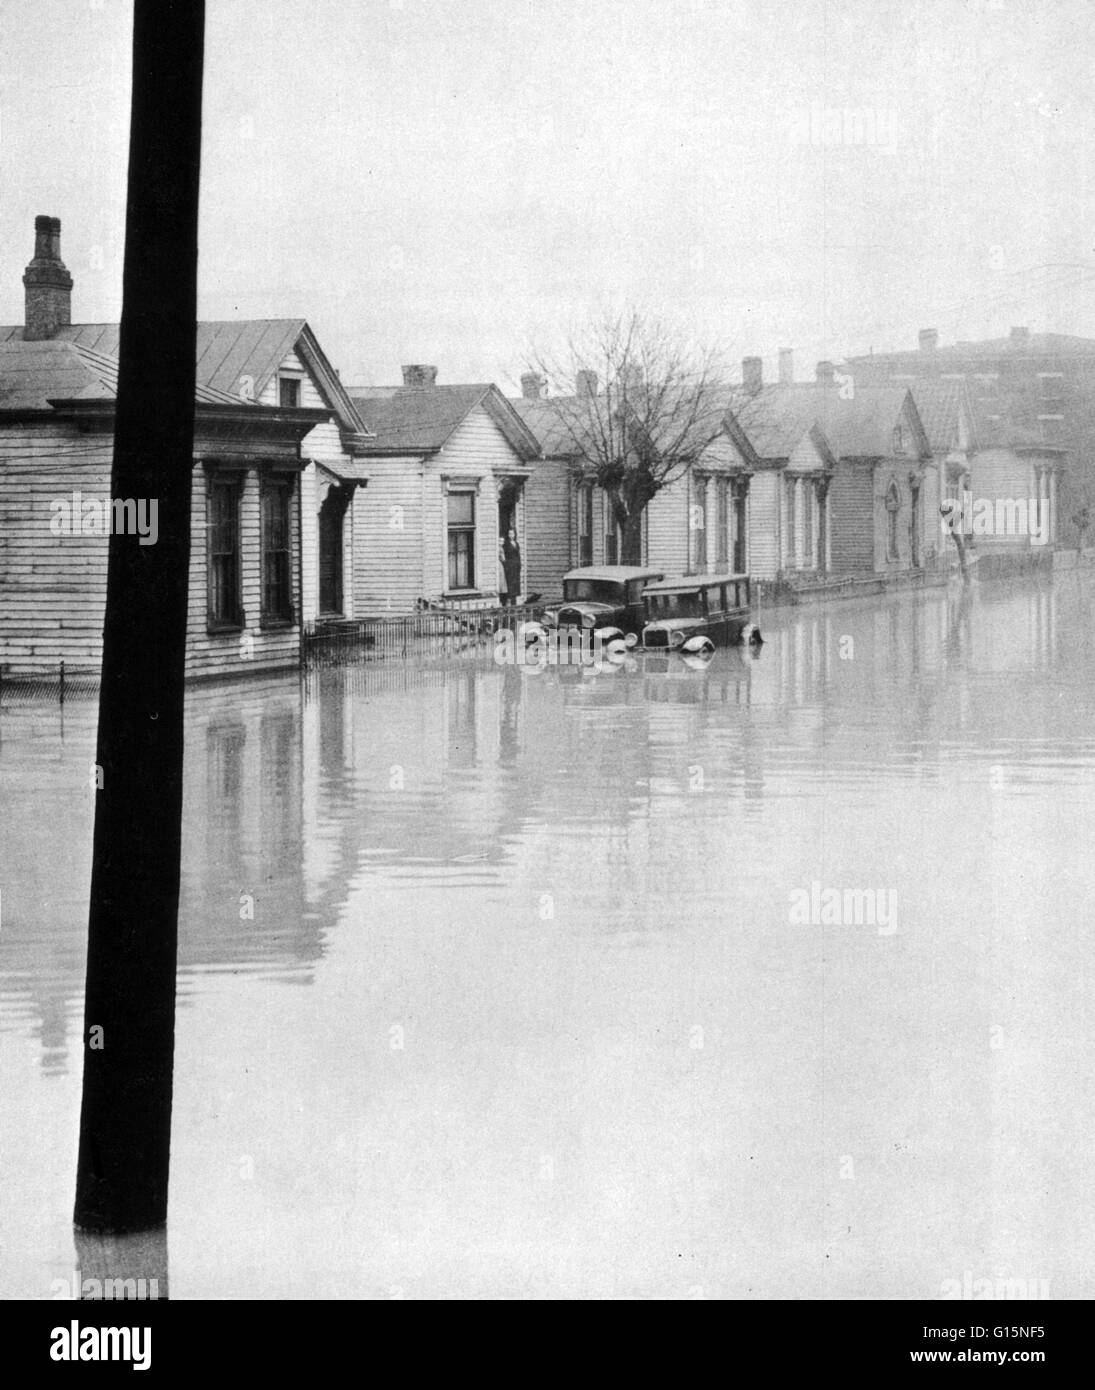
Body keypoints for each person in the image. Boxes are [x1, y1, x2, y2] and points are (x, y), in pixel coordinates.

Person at [500, 527, 522, 606]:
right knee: (510, 587)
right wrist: (507, 565)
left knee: (515, 587)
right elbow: (504, 556)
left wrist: (519, 565)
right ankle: (509, 604)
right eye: (509, 534)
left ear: (515, 534)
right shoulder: (506, 544)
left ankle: (514, 603)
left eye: (512, 533)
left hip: (516, 567)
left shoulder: (516, 543)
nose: (511, 535)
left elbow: (518, 555)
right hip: (510, 567)